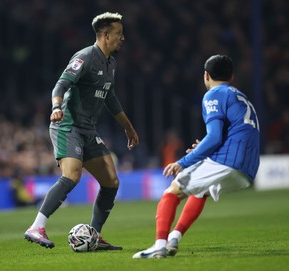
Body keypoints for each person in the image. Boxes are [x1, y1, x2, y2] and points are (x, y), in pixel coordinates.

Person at [24, 12, 139, 250]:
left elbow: (110, 97)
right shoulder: (85, 57)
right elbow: (61, 84)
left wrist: (128, 128)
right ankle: (36, 226)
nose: (123, 38)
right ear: (105, 34)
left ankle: (94, 237)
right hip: (67, 124)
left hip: (88, 128)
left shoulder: (111, 63)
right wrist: (56, 107)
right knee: (72, 175)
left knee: (111, 181)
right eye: (119, 33)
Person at [133, 54, 260, 259]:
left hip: (228, 160)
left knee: (172, 192)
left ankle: (159, 246)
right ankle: (175, 237)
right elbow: (233, 133)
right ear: (232, 76)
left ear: (206, 75)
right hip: (248, 169)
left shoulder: (213, 94)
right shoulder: (241, 97)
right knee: (200, 191)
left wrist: (182, 163)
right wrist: (205, 149)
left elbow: (215, 136)